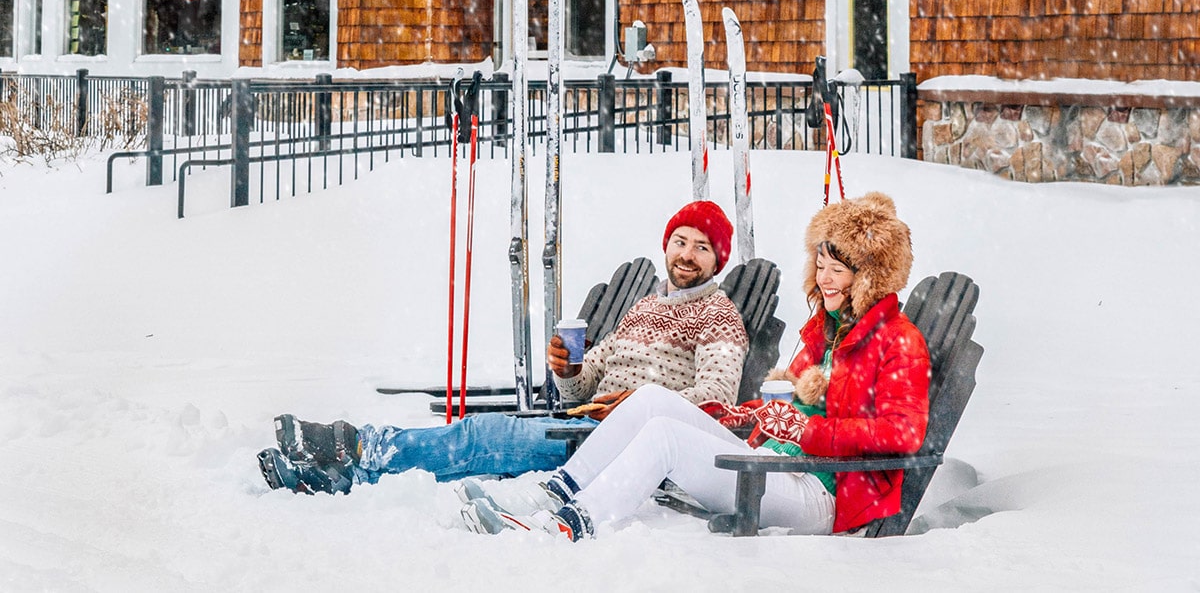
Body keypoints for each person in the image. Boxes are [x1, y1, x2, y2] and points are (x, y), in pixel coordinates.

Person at [459, 191, 930, 540]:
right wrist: (760, 415)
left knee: (666, 437)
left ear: (868, 277)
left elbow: (902, 435)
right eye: (820, 266)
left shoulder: (897, 342)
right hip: (777, 464)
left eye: (838, 270)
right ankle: (548, 496)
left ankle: (566, 528)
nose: (824, 280)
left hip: (826, 496)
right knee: (651, 401)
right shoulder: (823, 331)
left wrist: (808, 434)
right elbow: (789, 409)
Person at [257, 200, 750, 494]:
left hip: (622, 442)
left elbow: (715, 402)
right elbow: (583, 388)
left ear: (718, 260)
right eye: (680, 241)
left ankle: (356, 443)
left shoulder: (719, 315)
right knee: (477, 441)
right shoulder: (645, 306)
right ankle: (338, 477)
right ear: (666, 245)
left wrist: (638, 407)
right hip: (586, 423)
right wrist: (567, 367)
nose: (686, 255)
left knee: (477, 438)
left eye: (701, 247)